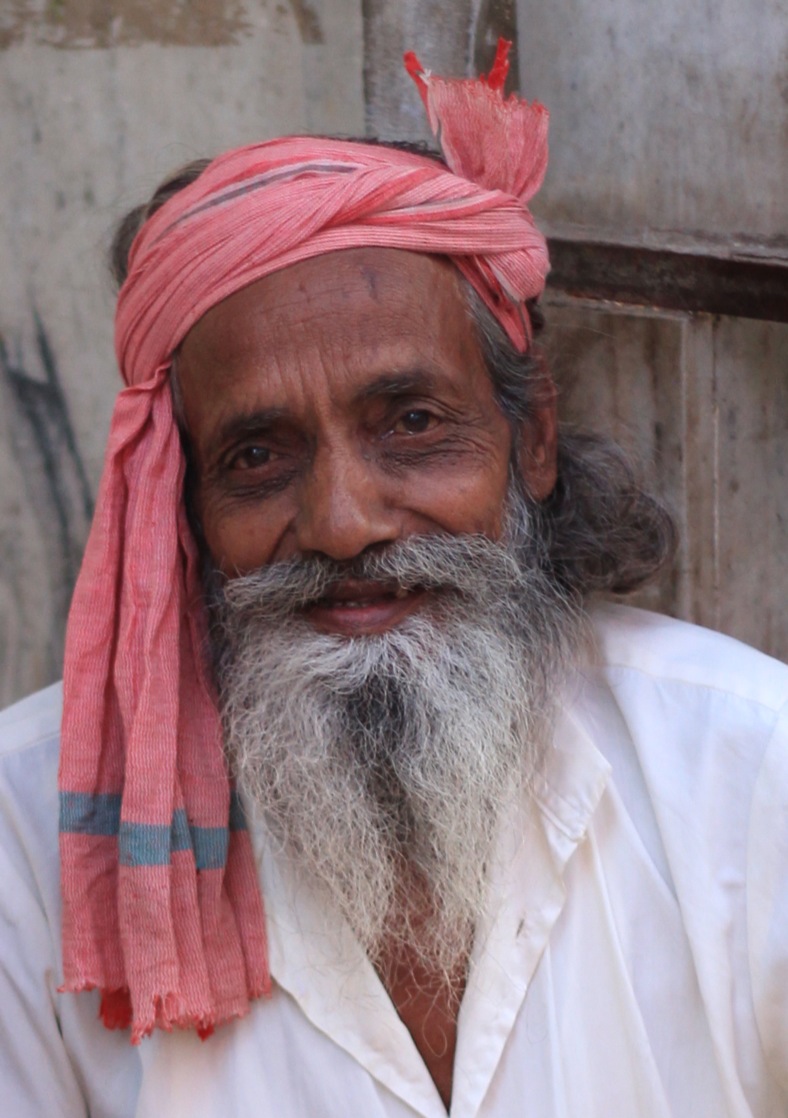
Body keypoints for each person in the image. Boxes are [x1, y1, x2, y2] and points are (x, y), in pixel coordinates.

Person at [1, 41, 787, 1118]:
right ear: (180, 503)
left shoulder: (749, 771)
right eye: (257, 456)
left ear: (530, 439)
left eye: (412, 424)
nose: (342, 523)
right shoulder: (23, 841)